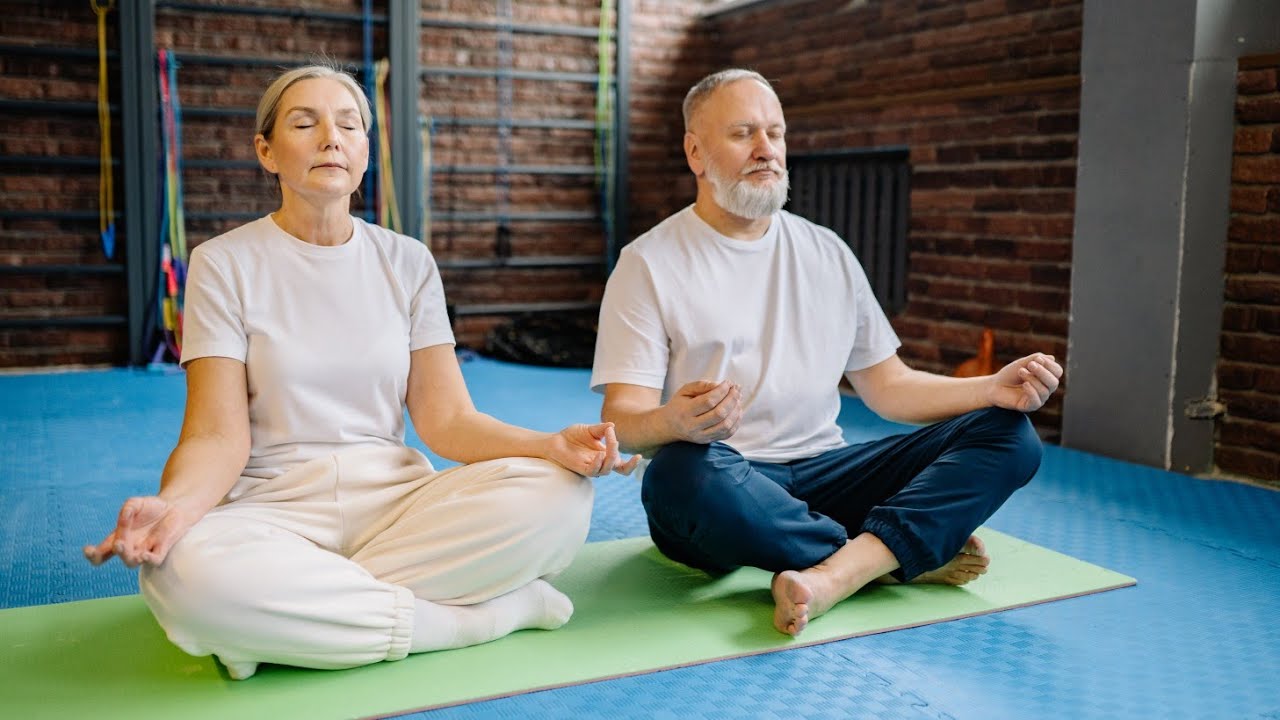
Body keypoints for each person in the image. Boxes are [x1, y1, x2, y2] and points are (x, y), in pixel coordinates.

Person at [83, 65, 638, 680]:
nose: (331, 137)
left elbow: (447, 420)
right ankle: (481, 618)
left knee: (559, 496)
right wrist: (175, 507)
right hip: (272, 508)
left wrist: (549, 445)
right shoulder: (222, 264)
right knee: (180, 574)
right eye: (305, 122)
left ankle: (283, 622)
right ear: (266, 151)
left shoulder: (408, 262)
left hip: (397, 502)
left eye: (349, 124)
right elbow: (216, 436)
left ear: (365, 153)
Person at [590, 69, 1062, 637]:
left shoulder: (828, 252)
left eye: (776, 133)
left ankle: (841, 571)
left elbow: (889, 387)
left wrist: (990, 389)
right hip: (725, 480)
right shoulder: (647, 263)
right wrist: (673, 421)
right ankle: (888, 558)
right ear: (696, 151)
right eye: (743, 134)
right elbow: (622, 423)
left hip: (829, 475)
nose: (767, 150)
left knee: (1009, 434)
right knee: (675, 475)